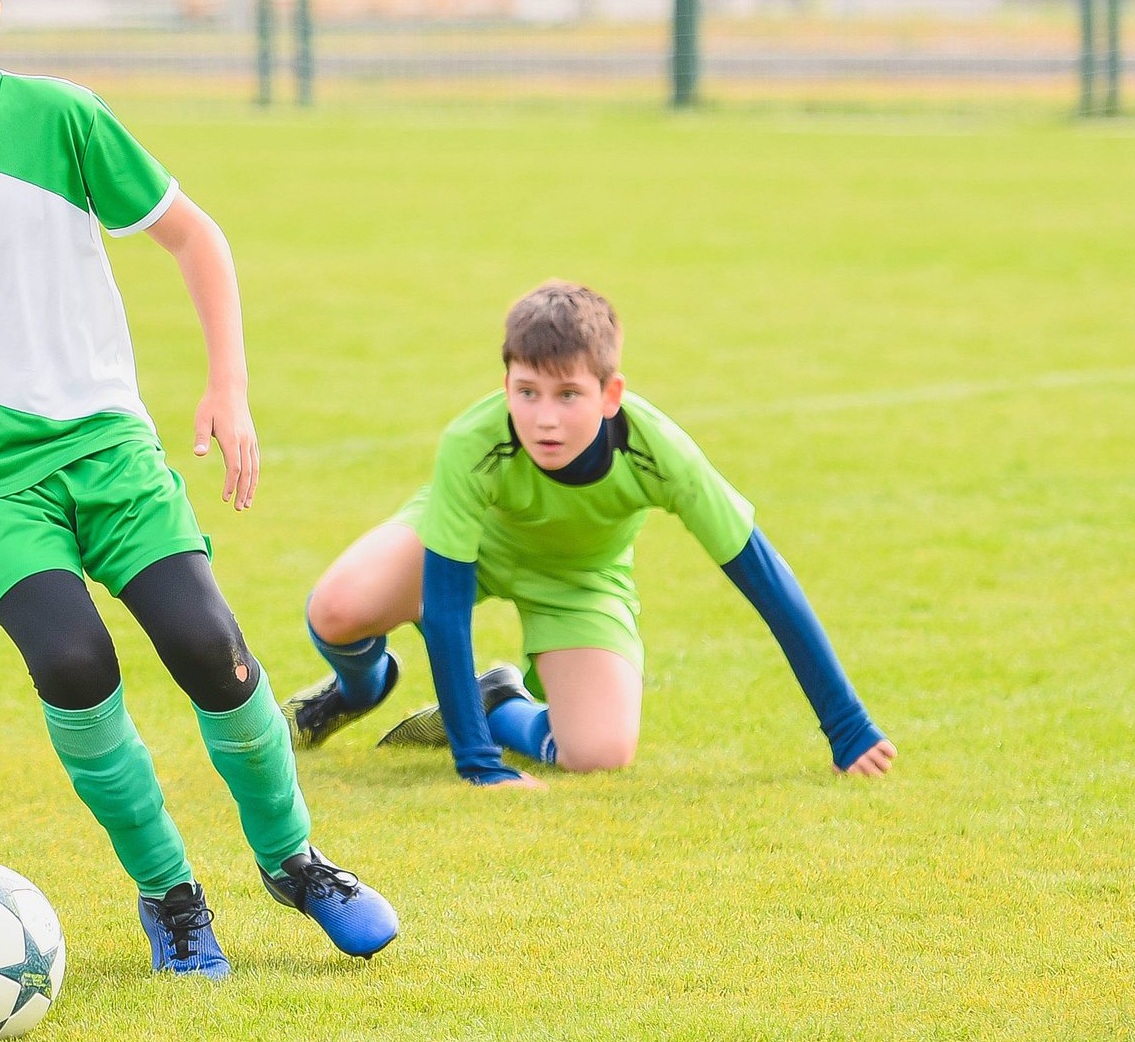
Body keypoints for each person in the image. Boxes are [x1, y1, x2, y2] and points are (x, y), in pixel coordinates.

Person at [0, 0, 399, 979]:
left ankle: (294, 858)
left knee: (211, 653)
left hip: (109, 450)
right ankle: (171, 892)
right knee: (73, 662)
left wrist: (228, 384)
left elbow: (195, 237)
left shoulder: (66, 120)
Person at [290, 280, 899, 788]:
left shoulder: (662, 453)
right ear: (505, 386)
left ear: (611, 395)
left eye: (568, 395)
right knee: (335, 610)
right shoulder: (471, 442)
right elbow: (445, 608)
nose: (544, 417)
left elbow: (765, 580)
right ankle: (359, 687)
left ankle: (497, 704)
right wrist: (477, 765)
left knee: (598, 752)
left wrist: (846, 726)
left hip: (579, 580)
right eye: (526, 393)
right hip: (475, 545)